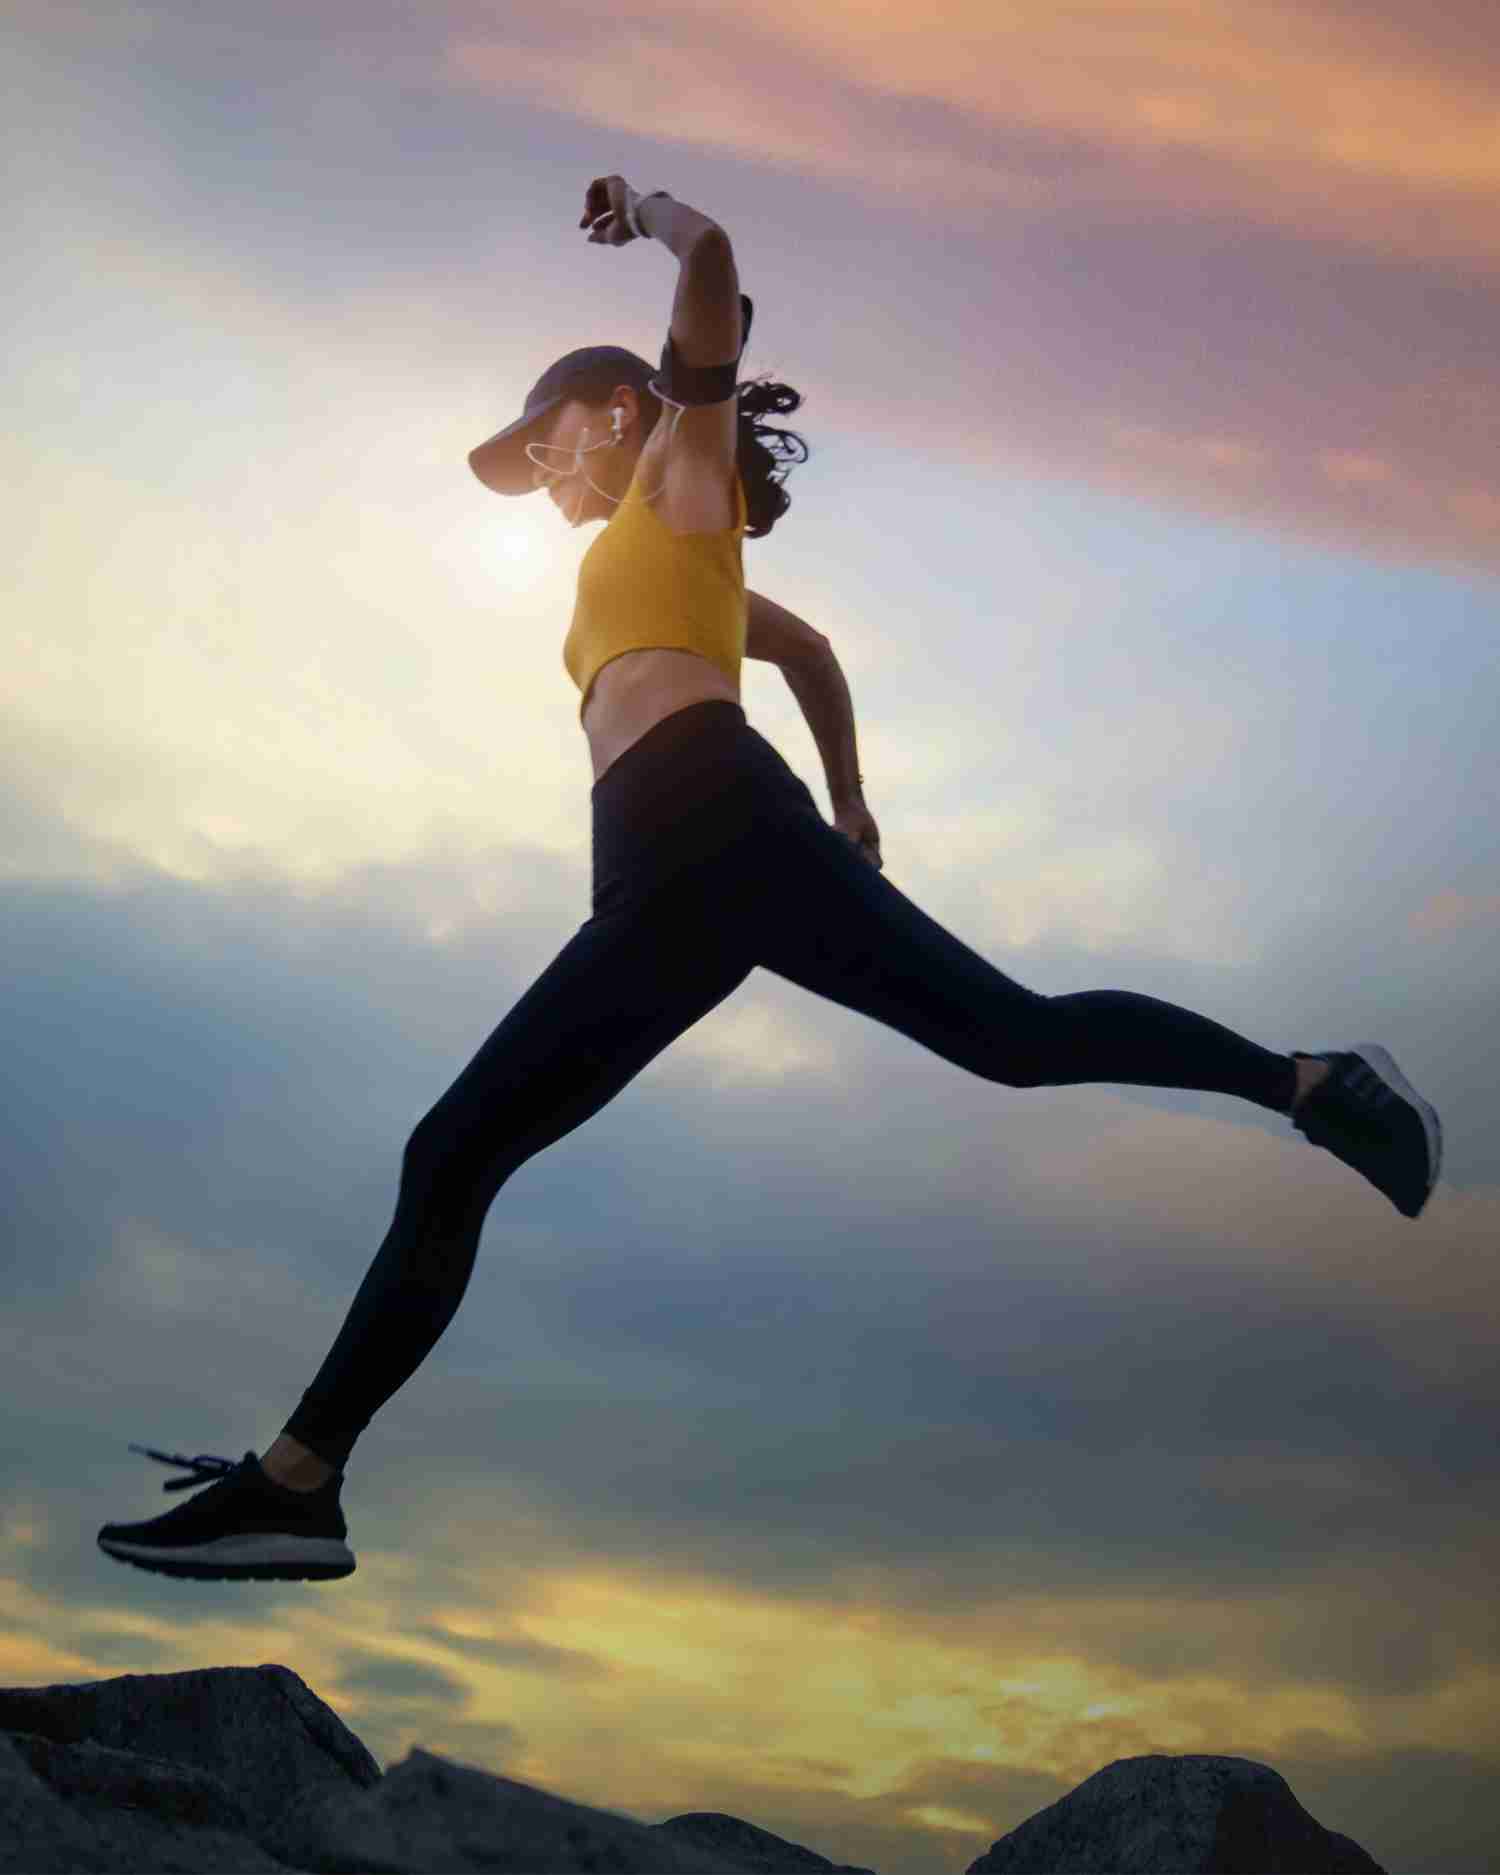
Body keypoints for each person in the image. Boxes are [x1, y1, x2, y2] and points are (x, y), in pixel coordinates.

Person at [98, 176, 1442, 1586]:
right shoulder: (665, 552)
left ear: (618, 414)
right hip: (669, 875)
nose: (546, 482)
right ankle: (299, 1492)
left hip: (710, 824)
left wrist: (656, 214)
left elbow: (721, 262)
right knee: (982, 1045)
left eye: (548, 448)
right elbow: (804, 656)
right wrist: (854, 798)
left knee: (473, 1149)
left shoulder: (680, 470)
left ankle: (299, 1484)